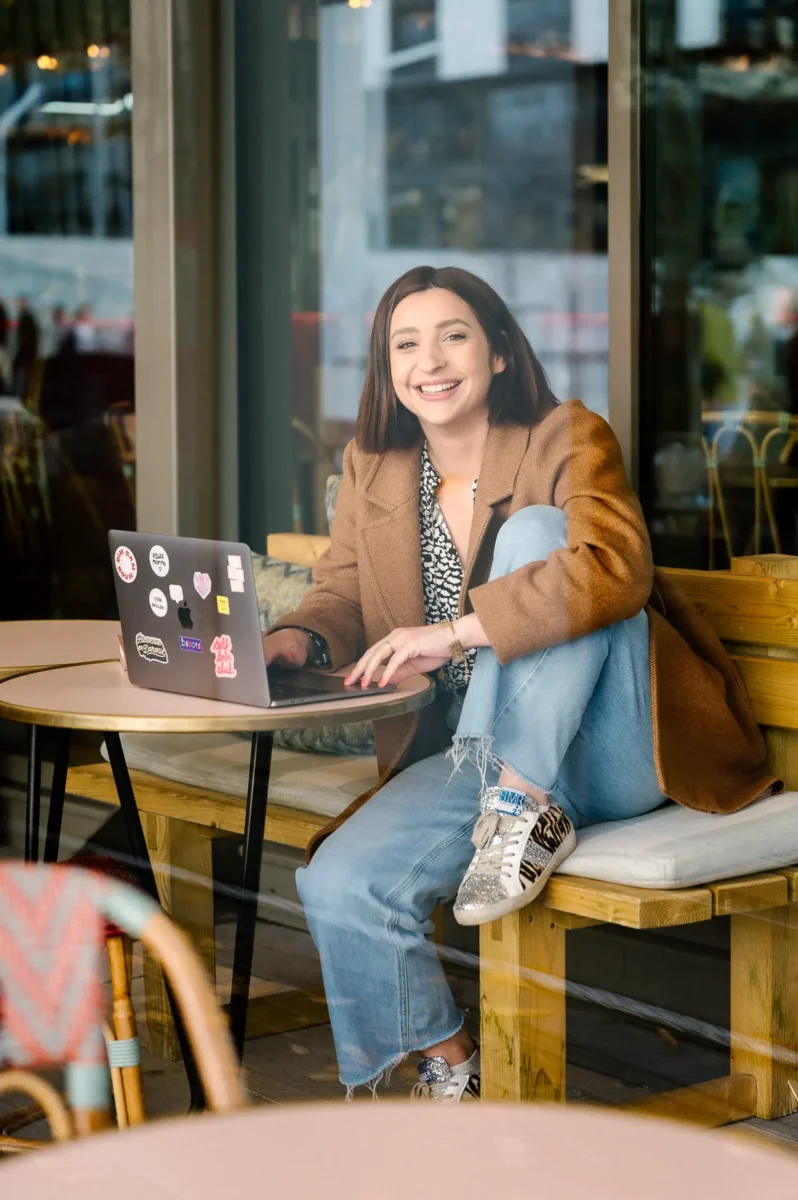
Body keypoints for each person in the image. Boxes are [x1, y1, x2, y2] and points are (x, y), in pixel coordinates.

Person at [264, 265, 776, 1102]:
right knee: (342, 881)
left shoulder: (565, 435)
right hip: (474, 747)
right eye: (406, 342)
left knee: (543, 531)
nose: (429, 359)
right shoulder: (373, 465)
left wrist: (458, 630)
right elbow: (343, 589)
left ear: (499, 352)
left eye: (453, 334)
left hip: (609, 744)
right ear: (385, 365)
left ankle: (522, 805)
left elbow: (616, 567)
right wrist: (297, 636)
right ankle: (452, 1068)